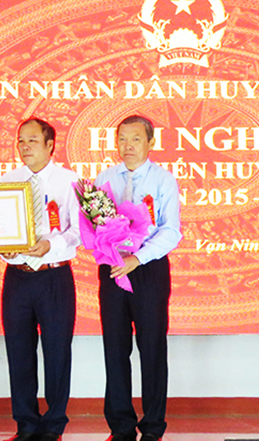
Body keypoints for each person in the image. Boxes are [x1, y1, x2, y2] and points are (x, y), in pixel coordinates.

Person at [94, 115, 182, 441]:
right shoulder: (105, 178)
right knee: (115, 348)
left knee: (152, 347)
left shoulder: (163, 180)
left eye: (135, 139)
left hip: (148, 269)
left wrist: (137, 258)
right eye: (122, 139)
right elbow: (94, 224)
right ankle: (120, 427)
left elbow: (171, 231)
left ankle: (153, 428)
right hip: (113, 268)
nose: (127, 146)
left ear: (150, 143)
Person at [0, 118, 81, 441]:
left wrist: (50, 245)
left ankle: (54, 424)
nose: (25, 146)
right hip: (17, 277)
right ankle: (26, 424)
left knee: (57, 351)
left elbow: (78, 232)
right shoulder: (8, 180)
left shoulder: (70, 181)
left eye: (32, 140)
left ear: (50, 145)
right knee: (18, 351)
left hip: (54, 275)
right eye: (21, 140)